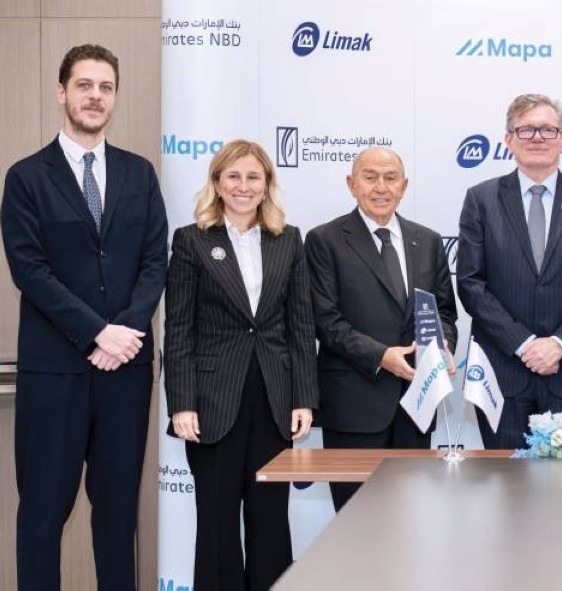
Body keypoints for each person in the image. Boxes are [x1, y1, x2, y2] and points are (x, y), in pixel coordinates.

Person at [1, 44, 168, 590]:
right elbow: (30, 271)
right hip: (55, 375)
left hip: (126, 374)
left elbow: (155, 262)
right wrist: (98, 332)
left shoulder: (140, 174)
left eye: (106, 87)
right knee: (42, 519)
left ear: (115, 97)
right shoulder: (26, 177)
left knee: (118, 520)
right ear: (62, 92)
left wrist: (126, 333)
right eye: (84, 85)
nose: (96, 96)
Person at [163, 140, 317, 590]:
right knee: (217, 522)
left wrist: (304, 398)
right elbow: (179, 329)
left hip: (274, 400)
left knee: (271, 521)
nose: (243, 186)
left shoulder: (288, 239)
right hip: (212, 402)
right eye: (233, 176)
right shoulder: (191, 240)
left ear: (267, 184)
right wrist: (182, 403)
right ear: (217, 183)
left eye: (253, 177)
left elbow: (300, 325)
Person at [457, 93, 562, 448]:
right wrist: (523, 343)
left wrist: (560, 344)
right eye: (526, 129)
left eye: (547, 130)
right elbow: (470, 283)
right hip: (501, 376)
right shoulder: (481, 199)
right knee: (504, 480)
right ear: (508, 139)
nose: (537, 138)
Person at [306, 147, 457, 510]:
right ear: (351, 184)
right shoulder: (324, 240)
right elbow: (326, 320)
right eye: (370, 177)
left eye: (391, 178)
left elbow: (444, 312)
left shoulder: (428, 241)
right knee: (355, 521)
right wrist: (381, 356)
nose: (381, 187)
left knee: (412, 520)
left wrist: (442, 346)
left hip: (416, 407)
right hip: (354, 408)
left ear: (404, 186)